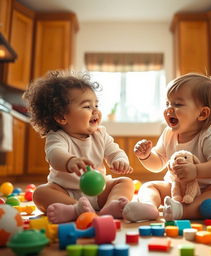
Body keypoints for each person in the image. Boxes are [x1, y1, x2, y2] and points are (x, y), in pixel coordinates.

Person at [23, 70, 134, 224]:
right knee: (40, 193)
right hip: (65, 192)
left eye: (96, 104)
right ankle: (76, 209)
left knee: (125, 182)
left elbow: (114, 151)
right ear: (62, 117)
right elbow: (54, 154)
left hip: (98, 190)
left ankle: (110, 206)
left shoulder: (100, 134)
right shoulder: (57, 136)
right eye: (87, 106)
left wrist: (119, 160)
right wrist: (69, 161)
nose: (95, 110)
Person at [122, 73, 211, 222]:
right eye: (167, 103)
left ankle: (181, 211)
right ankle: (149, 207)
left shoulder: (208, 136)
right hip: (178, 189)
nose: (169, 109)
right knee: (149, 186)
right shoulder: (168, 133)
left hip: (209, 189)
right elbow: (157, 164)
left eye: (177, 104)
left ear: (202, 113)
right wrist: (146, 156)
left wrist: (196, 171)